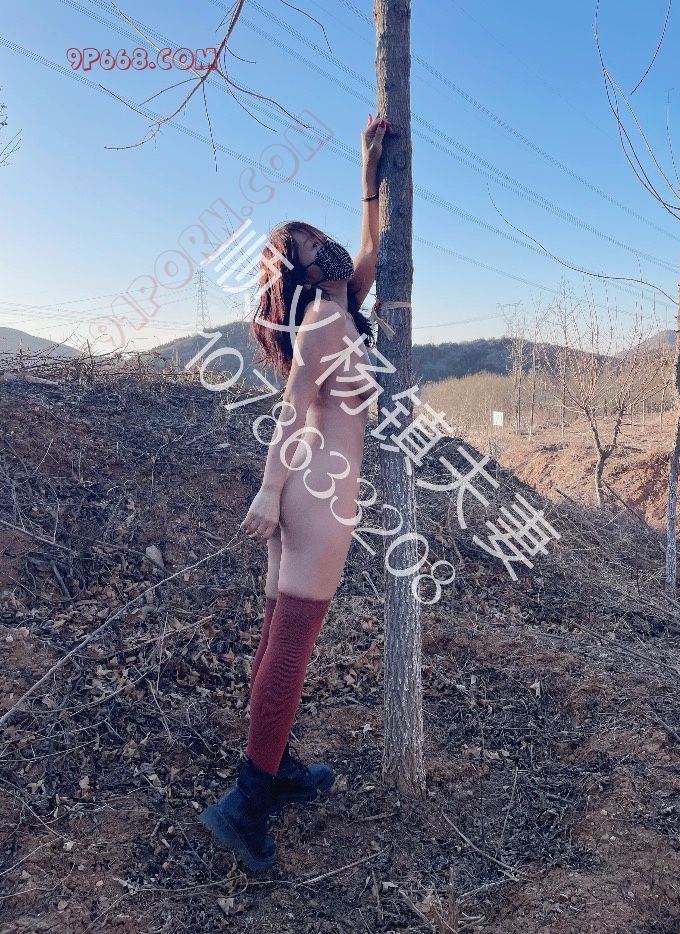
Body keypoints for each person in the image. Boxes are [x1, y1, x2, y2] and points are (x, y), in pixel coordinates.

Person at [200, 113, 395, 871]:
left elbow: (371, 253)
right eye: (312, 246)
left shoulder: (339, 307)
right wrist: (267, 491)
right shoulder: (322, 319)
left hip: (312, 492)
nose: (328, 246)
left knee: (280, 632)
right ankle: (245, 805)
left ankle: (272, 770)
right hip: (315, 492)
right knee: (293, 641)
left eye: (320, 236)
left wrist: (367, 176)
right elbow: (290, 411)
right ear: (302, 273)